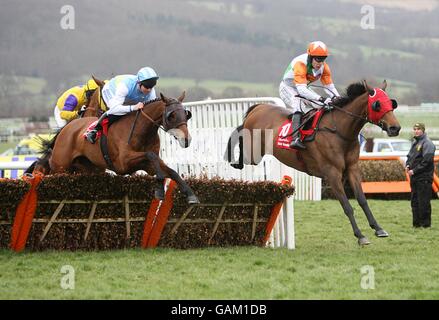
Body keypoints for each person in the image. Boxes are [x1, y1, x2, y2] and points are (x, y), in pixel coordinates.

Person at [279, 41, 340, 149]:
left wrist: (339, 99)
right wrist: (321, 98)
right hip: (288, 87)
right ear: (310, 56)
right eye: (317, 58)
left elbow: (329, 88)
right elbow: (301, 90)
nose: (320, 62)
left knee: (319, 106)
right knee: (298, 104)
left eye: (323, 59)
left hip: (302, 87)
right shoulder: (300, 64)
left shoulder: (324, 68)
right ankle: (295, 138)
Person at [85, 67, 159, 144]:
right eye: (147, 87)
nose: (149, 90)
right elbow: (114, 109)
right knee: (118, 113)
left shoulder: (150, 91)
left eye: (152, 86)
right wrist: (133, 107)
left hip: (128, 99)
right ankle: (94, 130)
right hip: (111, 91)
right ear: (139, 83)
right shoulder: (126, 86)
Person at [406, 123, 436, 228]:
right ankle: (416, 224)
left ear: (423, 130)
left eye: (418, 129)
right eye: (414, 129)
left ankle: (425, 225)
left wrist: (414, 170)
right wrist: (408, 165)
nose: (416, 131)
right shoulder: (415, 142)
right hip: (414, 178)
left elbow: (426, 161)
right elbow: (409, 156)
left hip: (424, 177)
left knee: (423, 202)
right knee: (414, 201)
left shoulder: (428, 143)